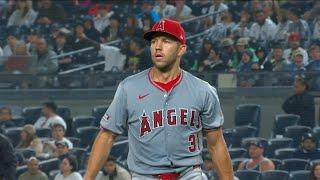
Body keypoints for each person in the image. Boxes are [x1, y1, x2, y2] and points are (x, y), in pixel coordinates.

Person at [84, 18, 233, 180]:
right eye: (153, 41)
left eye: (166, 41)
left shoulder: (203, 90)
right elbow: (107, 135)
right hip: (144, 176)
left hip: (189, 174)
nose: (158, 46)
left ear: (181, 49)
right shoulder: (129, 88)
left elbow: (216, 143)